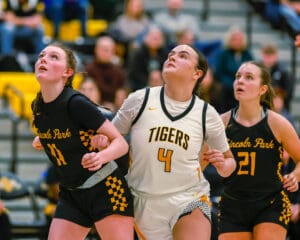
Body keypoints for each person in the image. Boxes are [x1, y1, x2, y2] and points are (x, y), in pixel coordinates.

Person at [110, 44, 236, 239]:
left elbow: (230, 163)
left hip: (189, 198)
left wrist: (222, 165)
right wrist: (102, 139)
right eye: (170, 54)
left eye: (182, 55)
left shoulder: (206, 113)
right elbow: (110, 137)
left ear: (197, 73)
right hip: (141, 200)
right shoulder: (139, 100)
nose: (172, 57)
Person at [31, 42, 134, 240]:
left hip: (106, 188)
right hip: (72, 192)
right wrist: (44, 140)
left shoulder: (76, 103)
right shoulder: (38, 106)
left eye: (54, 57)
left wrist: (101, 157)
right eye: (41, 55)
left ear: (68, 72)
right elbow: (68, 133)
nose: (43, 59)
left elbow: (121, 144)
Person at [218, 61, 300, 240]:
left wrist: (296, 175)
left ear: (262, 89)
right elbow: (198, 164)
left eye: (248, 77)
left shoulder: (277, 123)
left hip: (271, 203)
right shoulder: (221, 123)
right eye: (238, 77)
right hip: (233, 204)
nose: (240, 81)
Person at [214, 25, 254, 113]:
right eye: (234, 39)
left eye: (239, 39)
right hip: (227, 88)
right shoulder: (223, 54)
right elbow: (218, 73)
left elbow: (252, 70)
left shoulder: (247, 54)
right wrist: (234, 83)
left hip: (244, 85)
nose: (237, 42)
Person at [84, 35, 127, 106]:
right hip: (94, 106)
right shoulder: (88, 69)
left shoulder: (118, 71)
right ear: (96, 50)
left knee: (121, 94)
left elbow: (122, 93)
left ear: (113, 52)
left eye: (107, 50)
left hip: (114, 108)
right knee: (89, 88)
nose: (104, 53)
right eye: (102, 49)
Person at [260, 43, 294, 110]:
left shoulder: (283, 71)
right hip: (261, 106)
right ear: (262, 56)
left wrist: (281, 99)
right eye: (266, 56)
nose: (268, 59)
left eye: (271, 56)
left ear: (276, 56)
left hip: (280, 107)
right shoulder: (258, 71)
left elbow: (289, 91)